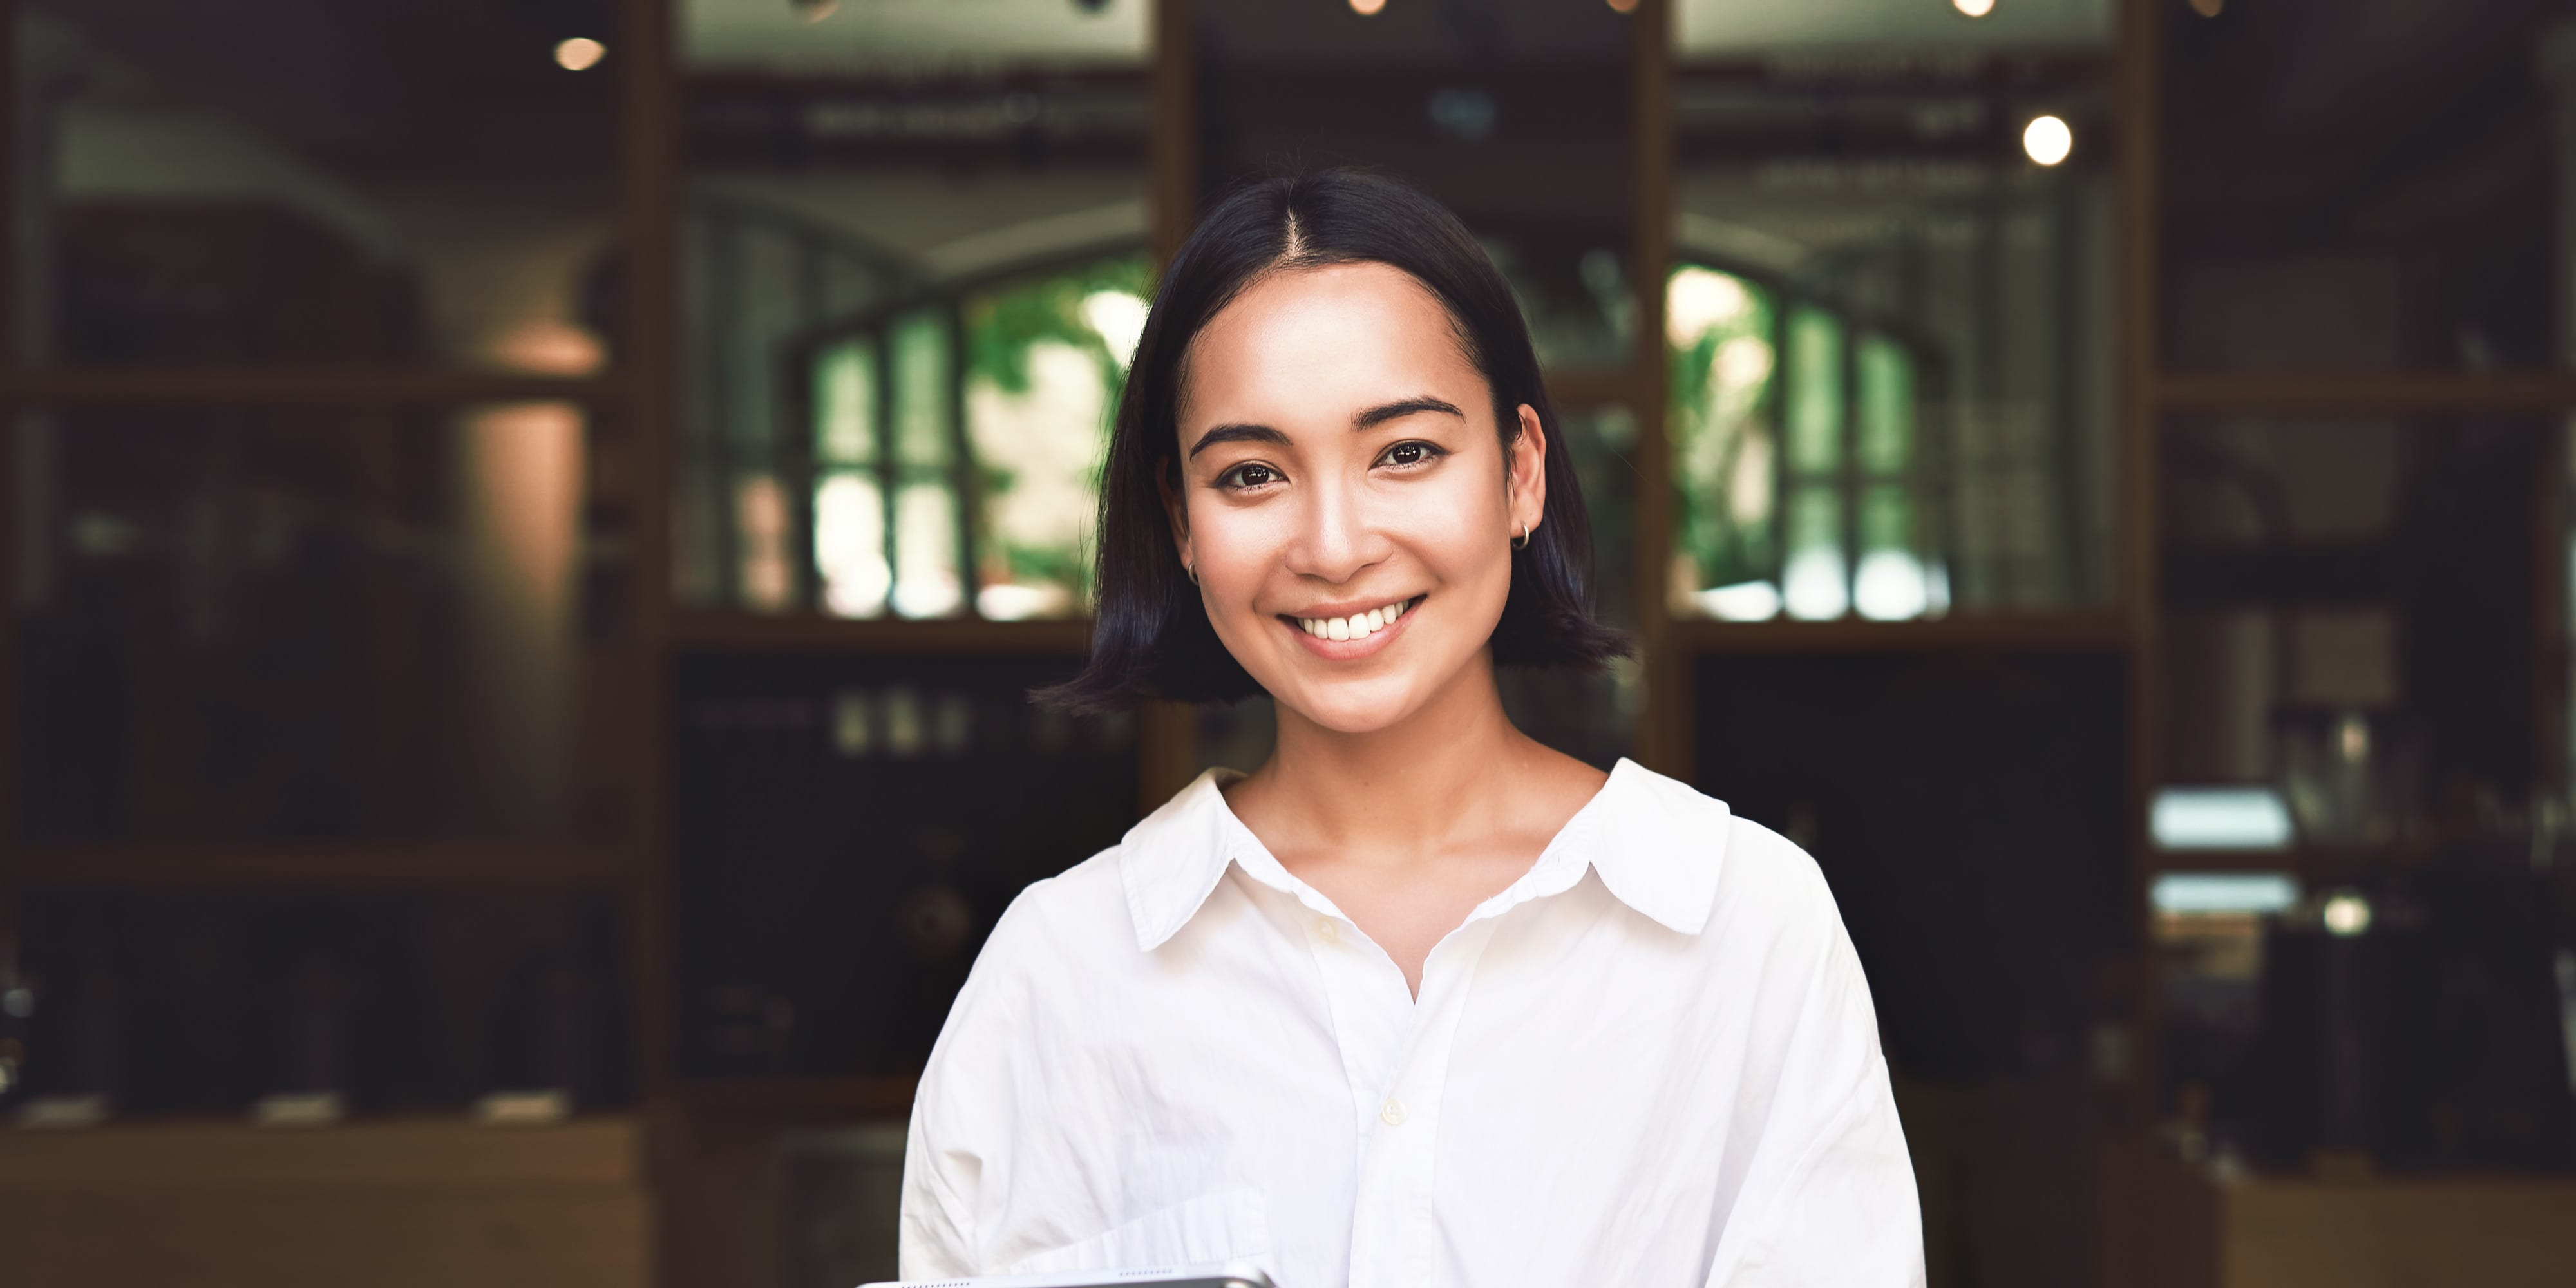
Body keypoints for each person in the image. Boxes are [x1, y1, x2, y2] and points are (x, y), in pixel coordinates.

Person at [898, 171, 1922, 1287]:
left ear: (1520, 473)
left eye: (1405, 453)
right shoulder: (1060, 976)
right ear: (1181, 526)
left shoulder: (1740, 924)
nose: (1334, 546)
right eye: (1251, 475)